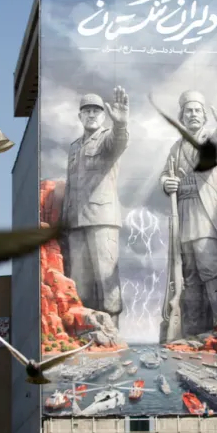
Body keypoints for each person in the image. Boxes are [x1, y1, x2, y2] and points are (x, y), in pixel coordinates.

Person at [159, 90, 217, 336]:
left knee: (211, 270)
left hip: (205, 214)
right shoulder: (176, 147)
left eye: (197, 111)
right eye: (188, 111)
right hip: (183, 212)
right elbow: (165, 174)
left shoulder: (208, 139)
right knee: (189, 275)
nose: (192, 115)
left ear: (204, 116)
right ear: (182, 116)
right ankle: (192, 332)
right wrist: (166, 183)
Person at [61, 87, 130, 328]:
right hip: (76, 222)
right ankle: (89, 330)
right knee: (80, 281)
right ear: (80, 116)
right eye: (87, 111)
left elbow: (118, 142)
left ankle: (114, 331)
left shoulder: (107, 138)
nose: (91, 115)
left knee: (106, 277)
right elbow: (70, 185)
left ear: (103, 116)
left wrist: (120, 124)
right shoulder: (74, 147)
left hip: (102, 218)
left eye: (96, 111)